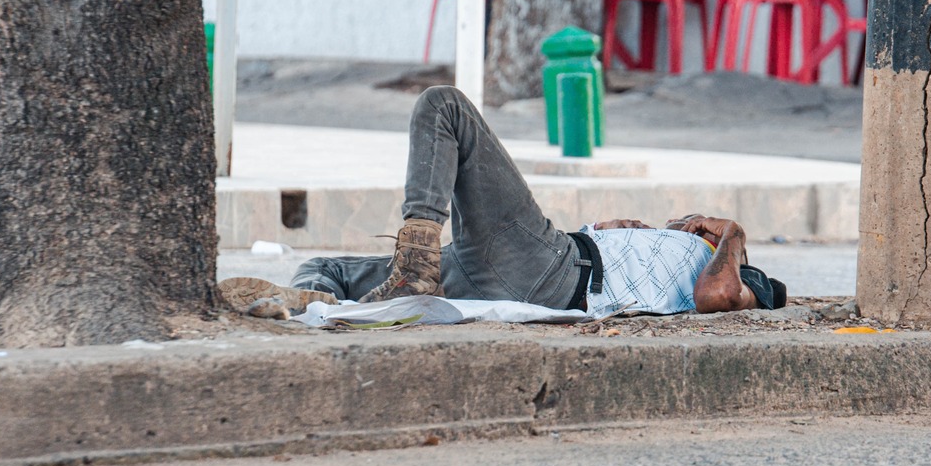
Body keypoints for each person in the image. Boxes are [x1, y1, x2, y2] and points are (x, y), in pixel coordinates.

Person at [219, 86, 785, 319]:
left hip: (555, 270)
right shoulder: (672, 250)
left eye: (701, 226)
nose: (692, 222)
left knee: (445, 107)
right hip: (517, 268)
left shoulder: (731, 274)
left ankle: (415, 267)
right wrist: (612, 230)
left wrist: (730, 233)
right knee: (330, 268)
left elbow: (716, 295)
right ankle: (313, 305)